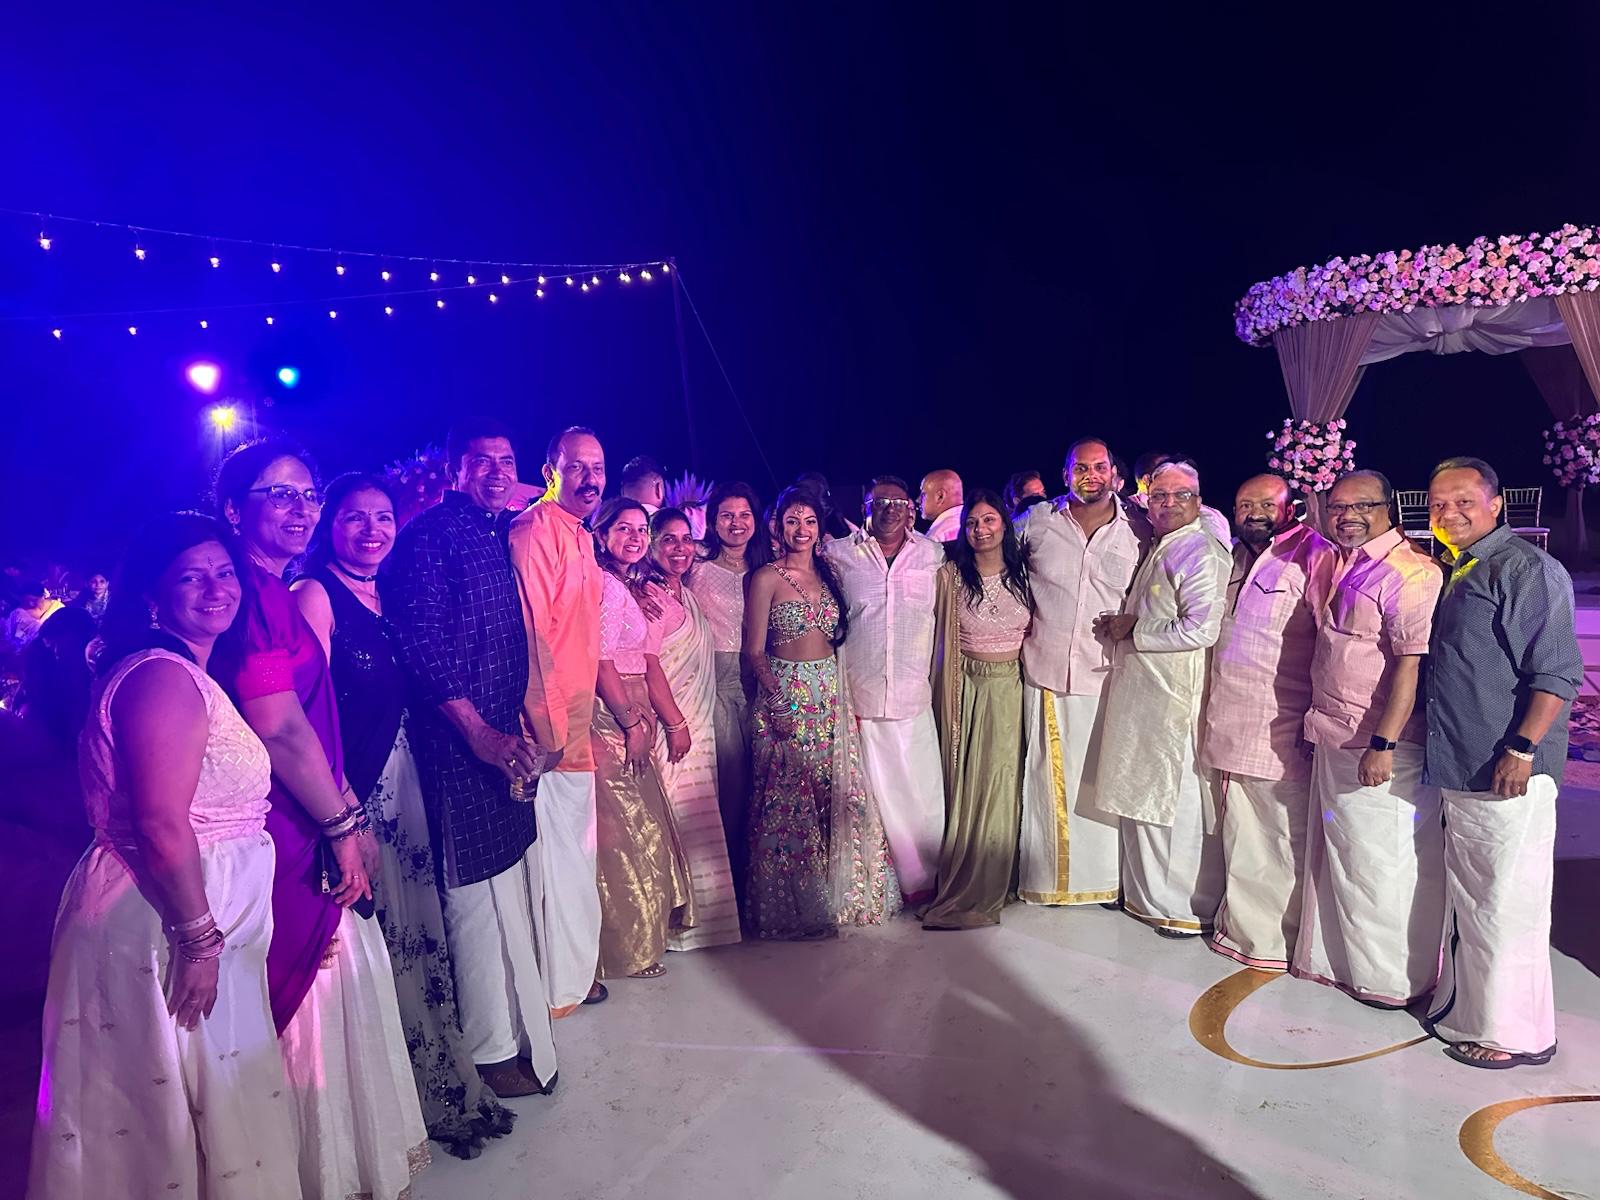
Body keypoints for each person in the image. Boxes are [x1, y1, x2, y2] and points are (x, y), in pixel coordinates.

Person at [27, 513, 302, 1199]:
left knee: (208, 1103)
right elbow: (158, 823)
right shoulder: (160, 678)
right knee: (163, 1120)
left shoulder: (186, 672)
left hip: (186, 919)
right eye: (191, 577)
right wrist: (199, 940)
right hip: (161, 925)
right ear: (152, 594)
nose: (216, 589)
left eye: (225, 573)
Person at [213, 440, 428, 1198]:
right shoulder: (255, 599)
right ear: (233, 510)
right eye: (280, 495)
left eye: (307, 494)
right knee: (310, 986)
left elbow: (309, 716)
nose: (300, 508)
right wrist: (341, 826)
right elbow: (277, 727)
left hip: (314, 806)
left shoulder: (271, 592)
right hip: (283, 822)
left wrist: (345, 807)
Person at [292, 472, 517, 1155]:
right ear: (330, 525)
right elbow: (306, 714)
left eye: (384, 517)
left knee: (420, 939)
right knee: (384, 945)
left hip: (407, 781)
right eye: (355, 517)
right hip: (355, 794)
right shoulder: (314, 595)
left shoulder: (387, 592)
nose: (372, 530)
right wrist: (343, 812)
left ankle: (439, 1086)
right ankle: (397, 1109)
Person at [385, 418, 560, 1100]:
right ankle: (487, 1053)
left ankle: (516, 1032)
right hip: (458, 749)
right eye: (480, 460)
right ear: (456, 469)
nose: (495, 471)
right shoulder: (429, 537)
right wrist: (480, 733)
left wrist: (514, 725)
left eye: (505, 460)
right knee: (470, 900)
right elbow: (422, 646)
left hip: (501, 741)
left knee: (505, 889)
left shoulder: (493, 533)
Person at [1424, 456, 1582, 1070]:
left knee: (1507, 902)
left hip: (1505, 767)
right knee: (1477, 897)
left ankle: (1512, 1033)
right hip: (1465, 761)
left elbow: (1557, 673)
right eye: (1439, 503)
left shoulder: (1525, 568)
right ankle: (1473, 1011)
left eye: (1464, 501)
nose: (1449, 512)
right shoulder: (1461, 567)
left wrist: (1521, 748)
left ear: (1496, 504)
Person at [1292, 470, 1446, 1009]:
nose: (1347, 516)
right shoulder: (1348, 563)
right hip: (1337, 731)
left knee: (1382, 862)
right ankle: (1351, 967)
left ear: (1388, 508)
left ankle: (1393, 981)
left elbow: (1410, 667)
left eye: (1362, 506)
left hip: (1378, 744)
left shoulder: (1412, 572)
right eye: (1337, 507)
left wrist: (1384, 744)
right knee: (1349, 856)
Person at [743, 486, 901, 938]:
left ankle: (839, 897)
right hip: (785, 694)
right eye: (792, 521)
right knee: (787, 802)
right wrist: (778, 702)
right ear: (778, 526)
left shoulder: (831, 573)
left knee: (834, 795)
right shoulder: (766, 577)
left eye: (810, 521)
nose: (802, 530)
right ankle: (792, 908)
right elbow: (754, 652)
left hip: (830, 695)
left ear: (819, 527)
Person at [1201, 473, 1335, 971]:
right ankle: (1242, 931)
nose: (1253, 512)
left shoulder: (1315, 555)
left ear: (1290, 507)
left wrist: (1315, 716)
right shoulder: (1233, 556)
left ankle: (1276, 941)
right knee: (1241, 833)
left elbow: (1329, 641)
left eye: (1265, 503)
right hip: (1231, 718)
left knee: (1279, 835)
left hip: (1283, 721)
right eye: (1244, 504)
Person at [1094, 461, 1230, 936]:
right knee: (1142, 792)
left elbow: (1201, 629)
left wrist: (1135, 629)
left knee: (1174, 799)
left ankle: (1184, 907)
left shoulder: (1201, 549)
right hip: (1147, 692)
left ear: (1198, 501)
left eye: (1180, 495)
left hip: (1175, 697)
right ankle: (1146, 896)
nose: (1169, 503)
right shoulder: (1164, 543)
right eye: (1159, 496)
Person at [1016, 437, 1147, 906]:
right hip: (1048, 669)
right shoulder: (1037, 521)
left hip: (1107, 672)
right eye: (1080, 468)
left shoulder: (1139, 528)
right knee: (1048, 780)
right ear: (1065, 474)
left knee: (1101, 780)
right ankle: (1050, 881)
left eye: (1099, 467)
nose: (1091, 475)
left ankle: (1107, 880)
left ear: (1114, 472)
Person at [509, 426, 609, 1016]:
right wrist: (547, 730)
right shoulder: (535, 530)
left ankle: (574, 976)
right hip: (547, 731)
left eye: (598, 468)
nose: (590, 479)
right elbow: (531, 636)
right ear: (551, 471)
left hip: (577, 721)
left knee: (575, 855)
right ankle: (555, 988)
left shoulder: (580, 534)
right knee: (554, 860)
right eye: (577, 467)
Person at [822, 475, 947, 905]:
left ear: (911, 507)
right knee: (878, 798)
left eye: (898, 501)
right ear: (866, 507)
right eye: (880, 502)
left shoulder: (933, 554)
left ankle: (931, 880)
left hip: (913, 694)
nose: (890, 509)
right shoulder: (839, 555)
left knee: (922, 795)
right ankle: (890, 887)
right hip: (863, 695)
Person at [591, 499, 696, 977]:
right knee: (625, 830)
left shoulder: (627, 584)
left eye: (640, 530)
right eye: (623, 529)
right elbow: (601, 662)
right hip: (612, 712)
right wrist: (630, 722)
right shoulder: (606, 584)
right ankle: (624, 949)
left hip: (631, 706)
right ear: (601, 534)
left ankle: (640, 939)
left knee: (640, 824)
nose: (634, 538)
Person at [923, 489, 1033, 930]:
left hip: (1011, 691)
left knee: (1001, 783)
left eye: (989, 520)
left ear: (1004, 524)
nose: (980, 529)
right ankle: (964, 876)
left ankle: (997, 878)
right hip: (966, 689)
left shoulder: (1027, 573)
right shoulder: (950, 577)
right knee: (968, 785)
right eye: (972, 522)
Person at [650, 507, 741, 949]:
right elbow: (648, 665)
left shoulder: (683, 592)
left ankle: (704, 925)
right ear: (651, 545)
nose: (680, 548)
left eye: (686, 539)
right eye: (668, 539)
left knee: (698, 818)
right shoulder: (649, 596)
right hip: (675, 728)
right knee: (676, 819)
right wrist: (674, 724)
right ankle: (673, 928)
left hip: (698, 724)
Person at [687, 480, 771, 908]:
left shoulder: (769, 568)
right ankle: (728, 893)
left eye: (744, 515)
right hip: (718, 683)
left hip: (763, 681)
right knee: (731, 783)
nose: (736, 523)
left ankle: (761, 885)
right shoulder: (697, 567)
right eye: (726, 515)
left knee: (764, 782)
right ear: (712, 521)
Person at [1130, 451, 1232, 544]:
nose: (1169, 503)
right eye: (1164, 468)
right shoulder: (1128, 510)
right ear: (1146, 480)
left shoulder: (1210, 515)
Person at [4, 581, 63, 654]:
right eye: (27, 601)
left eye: (34, 600)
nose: (31, 604)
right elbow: (9, 635)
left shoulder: (58, 609)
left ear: (43, 596)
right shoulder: (18, 613)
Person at [919, 469, 965, 542]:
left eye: (923, 494)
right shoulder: (971, 525)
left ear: (940, 496)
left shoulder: (938, 536)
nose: (918, 500)